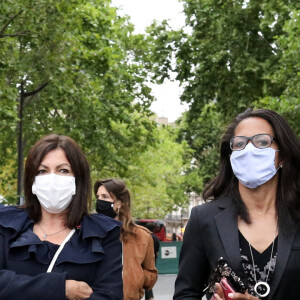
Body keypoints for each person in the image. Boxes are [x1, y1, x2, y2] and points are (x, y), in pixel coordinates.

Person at [173, 108, 300, 300]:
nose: (249, 150)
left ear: (282, 155)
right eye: (239, 144)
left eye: (262, 142)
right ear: (231, 156)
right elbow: (185, 294)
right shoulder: (204, 219)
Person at [0, 134, 123, 300]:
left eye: (63, 170)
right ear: (32, 181)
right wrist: (61, 288)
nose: (52, 179)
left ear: (78, 180)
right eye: (42, 171)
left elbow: (109, 295)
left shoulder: (103, 233)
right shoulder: (6, 223)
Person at [94, 178, 158, 300]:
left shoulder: (142, 236)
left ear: (120, 202)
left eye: (105, 196)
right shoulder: (89, 232)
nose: (99, 201)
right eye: (98, 197)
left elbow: (151, 275)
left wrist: (136, 276)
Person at [144, 222, 161, 300]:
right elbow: (157, 252)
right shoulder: (155, 238)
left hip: (144, 260)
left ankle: (150, 297)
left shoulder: (144, 237)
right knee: (149, 279)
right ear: (154, 229)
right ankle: (150, 297)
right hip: (153, 261)